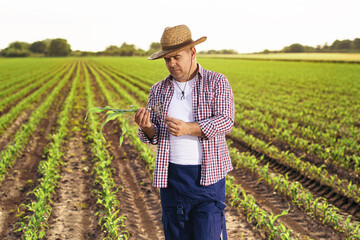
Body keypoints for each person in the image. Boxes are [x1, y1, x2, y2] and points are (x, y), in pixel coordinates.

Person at [135, 24, 235, 240]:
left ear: (192, 52)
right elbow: (155, 135)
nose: (171, 64)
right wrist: (147, 127)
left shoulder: (216, 82)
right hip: (172, 181)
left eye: (176, 57)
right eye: (167, 59)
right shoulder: (158, 90)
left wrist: (189, 128)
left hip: (208, 180)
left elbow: (226, 121)